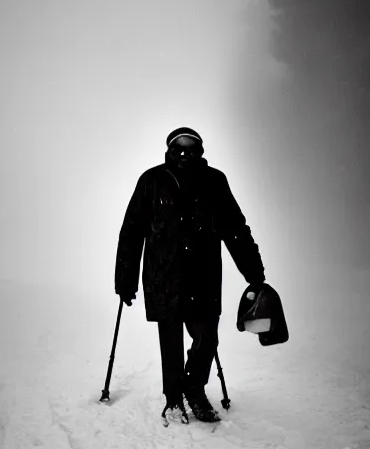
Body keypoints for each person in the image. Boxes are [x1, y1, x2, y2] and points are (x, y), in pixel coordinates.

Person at [114, 127, 266, 423]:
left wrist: (254, 272)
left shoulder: (214, 181)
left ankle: (194, 388)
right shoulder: (151, 180)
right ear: (169, 150)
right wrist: (125, 279)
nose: (185, 153)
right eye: (178, 147)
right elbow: (131, 232)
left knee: (206, 338)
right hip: (163, 276)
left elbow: (235, 230)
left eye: (191, 147)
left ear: (201, 150)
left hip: (204, 275)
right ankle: (173, 399)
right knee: (169, 341)